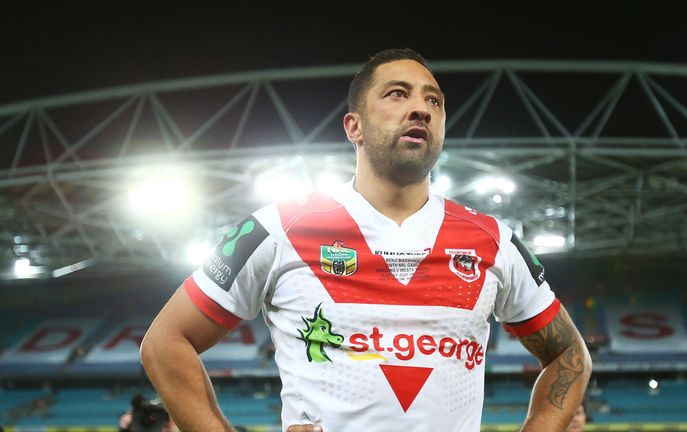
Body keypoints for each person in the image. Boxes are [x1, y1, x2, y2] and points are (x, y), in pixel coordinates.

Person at [140, 48, 592, 432]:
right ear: (353, 126)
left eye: (433, 100)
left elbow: (570, 354)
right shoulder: (278, 227)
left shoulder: (493, 240)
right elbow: (166, 342)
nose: (421, 108)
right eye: (397, 94)